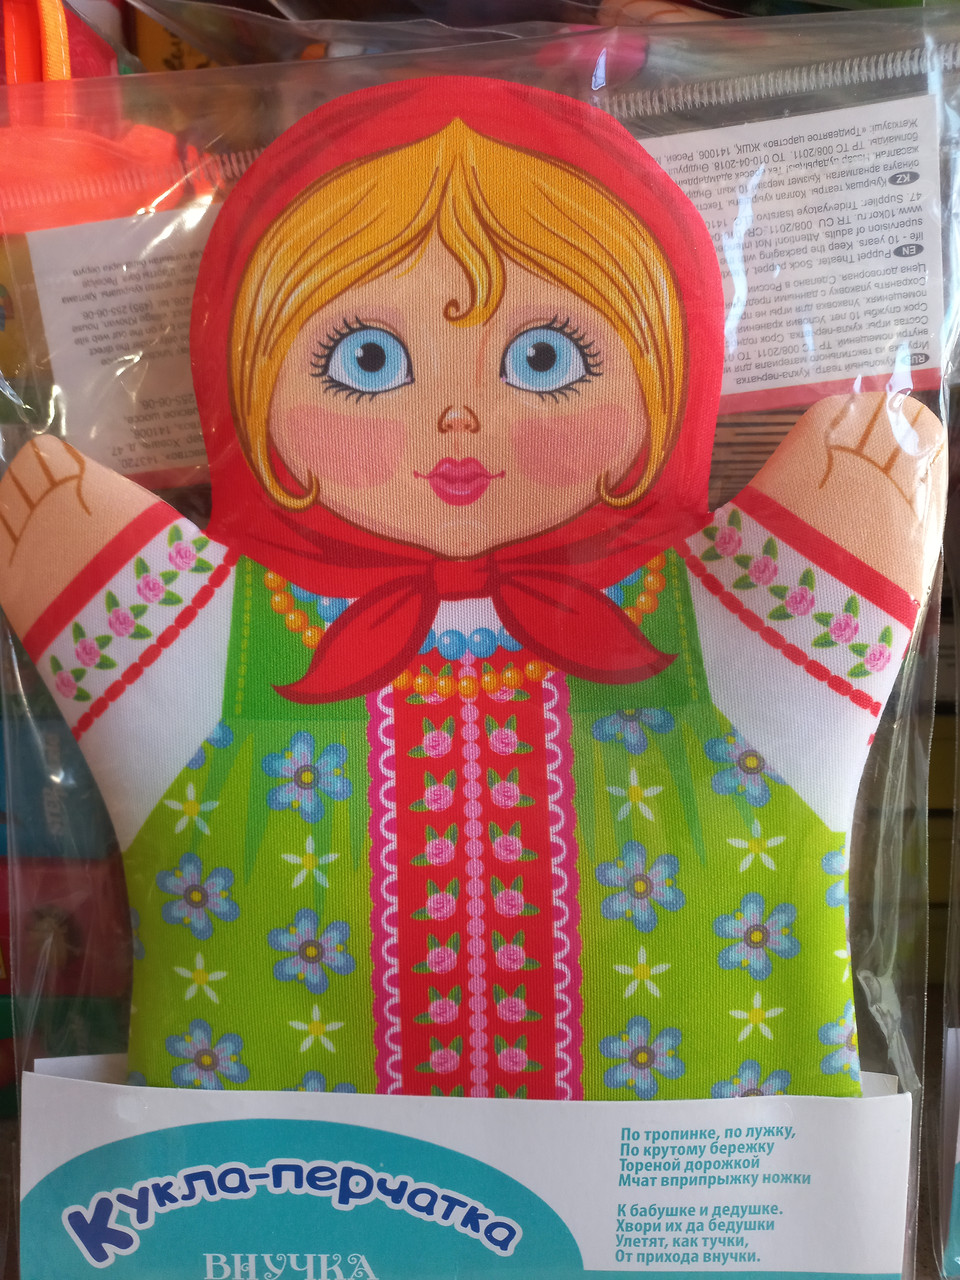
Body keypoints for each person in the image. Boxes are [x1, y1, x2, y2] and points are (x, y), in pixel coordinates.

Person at [0, 77, 943, 1100]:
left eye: (544, 357)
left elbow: (801, 674)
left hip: (699, 1183)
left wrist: (842, 540)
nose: (457, 416)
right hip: (289, 1191)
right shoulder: (236, 628)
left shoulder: (697, 618)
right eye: (367, 359)